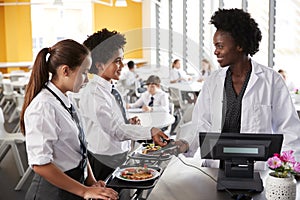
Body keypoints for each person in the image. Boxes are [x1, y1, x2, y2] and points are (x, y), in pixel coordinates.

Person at [177, 8, 300, 167]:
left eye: (220, 46)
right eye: (215, 46)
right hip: (217, 168)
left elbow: (289, 131)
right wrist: (184, 144)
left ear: (240, 45)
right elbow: (202, 123)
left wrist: (285, 170)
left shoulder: (272, 81)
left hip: (257, 170)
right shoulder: (212, 81)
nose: (215, 51)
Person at [20, 39, 118, 200]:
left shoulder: (66, 99)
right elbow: (40, 164)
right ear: (65, 71)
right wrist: (84, 191)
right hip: (53, 192)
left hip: (73, 185)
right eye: (84, 72)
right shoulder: (44, 106)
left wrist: (91, 181)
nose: (87, 79)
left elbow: (78, 148)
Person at [79, 28, 169, 181]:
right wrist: (150, 131)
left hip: (119, 155)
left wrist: (128, 122)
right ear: (100, 65)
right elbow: (115, 129)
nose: (122, 65)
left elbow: (116, 124)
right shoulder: (94, 94)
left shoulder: (112, 88)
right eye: (117, 61)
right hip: (103, 161)